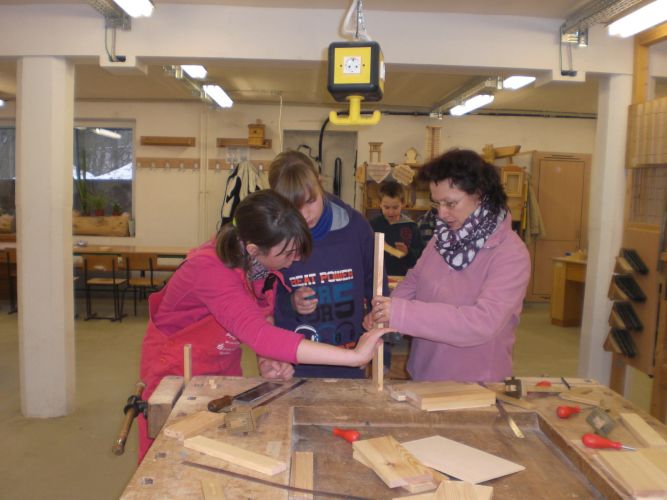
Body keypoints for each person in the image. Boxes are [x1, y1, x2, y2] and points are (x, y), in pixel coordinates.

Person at [137, 190, 388, 461]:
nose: (296, 259)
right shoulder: (209, 269)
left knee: (220, 450)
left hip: (222, 366)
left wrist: (266, 357)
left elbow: (261, 317)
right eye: (288, 253)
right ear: (254, 249)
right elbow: (259, 333)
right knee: (170, 459)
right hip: (176, 370)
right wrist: (353, 357)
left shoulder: (257, 266)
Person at [369, 149, 530, 382]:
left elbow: (482, 323)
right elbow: (414, 280)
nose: (442, 214)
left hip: (474, 381)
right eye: (437, 203)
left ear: (481, 194)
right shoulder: (444, 238)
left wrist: (401, 313)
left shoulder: (510, 253)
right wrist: (385, 312)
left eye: (451, 203)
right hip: (425, 371)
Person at [268, 150, 388, 378]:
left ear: (320, 183)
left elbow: (378, 288)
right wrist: (290, 302)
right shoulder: (273, 237)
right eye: (294, 207)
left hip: (351, 357)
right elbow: (264, 298)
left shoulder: (356, 228)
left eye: (311, 201)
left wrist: (383, 347)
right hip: (294, 363)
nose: (305, 215)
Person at [370, 180, 424, 276]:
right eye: (386, 207)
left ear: (403, 203)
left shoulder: (411, 226)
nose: (391, 212)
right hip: (377, 276)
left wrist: (407, 253)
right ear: (380, 204)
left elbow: (420, 256)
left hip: (404, 277)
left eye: (395, 208)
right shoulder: (372, 225)